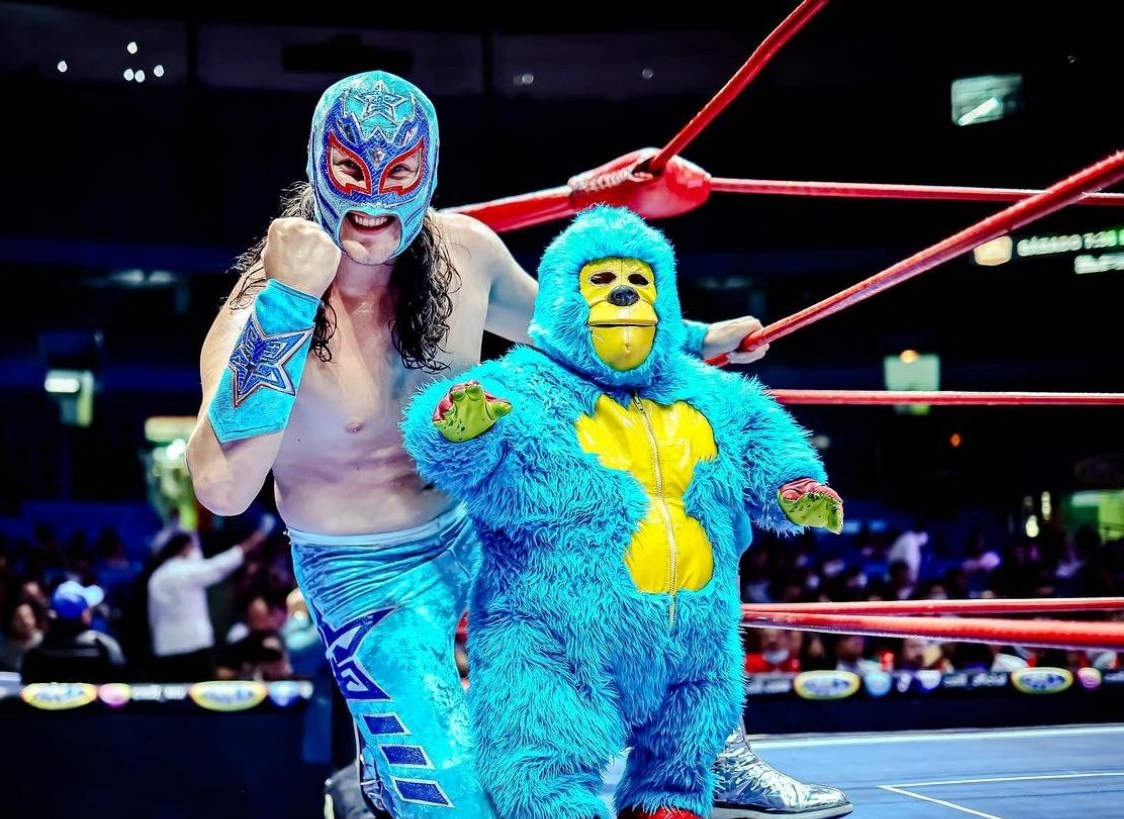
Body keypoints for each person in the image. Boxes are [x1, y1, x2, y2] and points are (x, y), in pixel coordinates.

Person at [185, 70, 847, 818]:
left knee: (664, 502)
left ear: (429, 171)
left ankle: (710, 751)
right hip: (366, 574)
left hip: (478, 525)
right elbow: (222, 489)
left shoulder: (463, 252)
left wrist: (695, 339)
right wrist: (287, 302)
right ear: (317, 164)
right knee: (466, 807)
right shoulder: (255, 311)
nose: (373, 200)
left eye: (398, 174)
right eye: (350, 170)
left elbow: (560, 330)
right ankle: (390, 747)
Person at [145, 523, 271, 682]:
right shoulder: (185, 570)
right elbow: (219, 566)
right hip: (193, 648)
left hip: (164, 648)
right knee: (200, 695)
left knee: (172, 695)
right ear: (184, 548)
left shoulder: (156, 577)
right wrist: (251, 543)